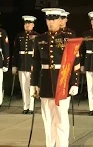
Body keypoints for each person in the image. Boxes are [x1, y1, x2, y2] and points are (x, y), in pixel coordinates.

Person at [30, 8, 80, 147]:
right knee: (48, 119)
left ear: (60, 20)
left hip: (62, 81)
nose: (51, 22)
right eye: (49, 19)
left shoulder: (68, 39)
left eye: (54, 19)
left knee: (61, 118)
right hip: (45, 82)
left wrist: (75, 82)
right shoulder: (40, 39)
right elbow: (35, 62)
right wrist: (33, 84)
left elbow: (75, 61)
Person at [12, 15, 39, 114]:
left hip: (31, 64)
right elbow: (15, 51)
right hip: (22, 64)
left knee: (31, 86)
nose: (27, 25)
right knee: (23, 86)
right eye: (25, 23)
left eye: (29, 23)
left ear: (33, 25)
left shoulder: (37, 36)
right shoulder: (19, 36)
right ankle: (25, 106)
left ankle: (31, 107)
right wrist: (14, 65)